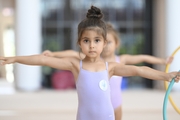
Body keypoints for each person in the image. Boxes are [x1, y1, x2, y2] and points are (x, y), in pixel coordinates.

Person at [0, 6, 179, 120]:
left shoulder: (111, 68)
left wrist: (166, 75)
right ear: (79, 43)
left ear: (104, 42)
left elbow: (140, 71)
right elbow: (43, 59)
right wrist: (15, 58)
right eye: (86, 41)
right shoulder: (76, 65)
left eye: (97, 41)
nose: (92, 45)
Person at [42, 23, 173, 120]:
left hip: (116, 105)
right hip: (97, 109)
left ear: (116, 43)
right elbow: (72, 53)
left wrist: (163, 61)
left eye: (110, 42)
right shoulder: (93, 60)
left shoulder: (121, 59)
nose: (107, 46)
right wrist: (53, 54)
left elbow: (143, 59)